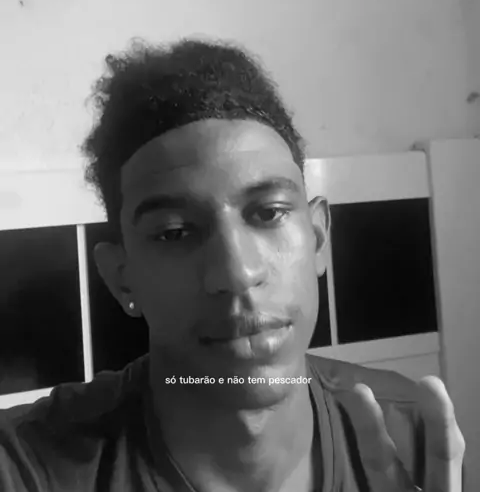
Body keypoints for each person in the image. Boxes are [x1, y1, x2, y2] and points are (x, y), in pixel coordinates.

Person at [0, 39, 465, 491]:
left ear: (318, 239)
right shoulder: (26, 467)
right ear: (121, 278)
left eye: (269, 213)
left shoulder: (409, 431)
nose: (237, 273)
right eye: (175, 233)